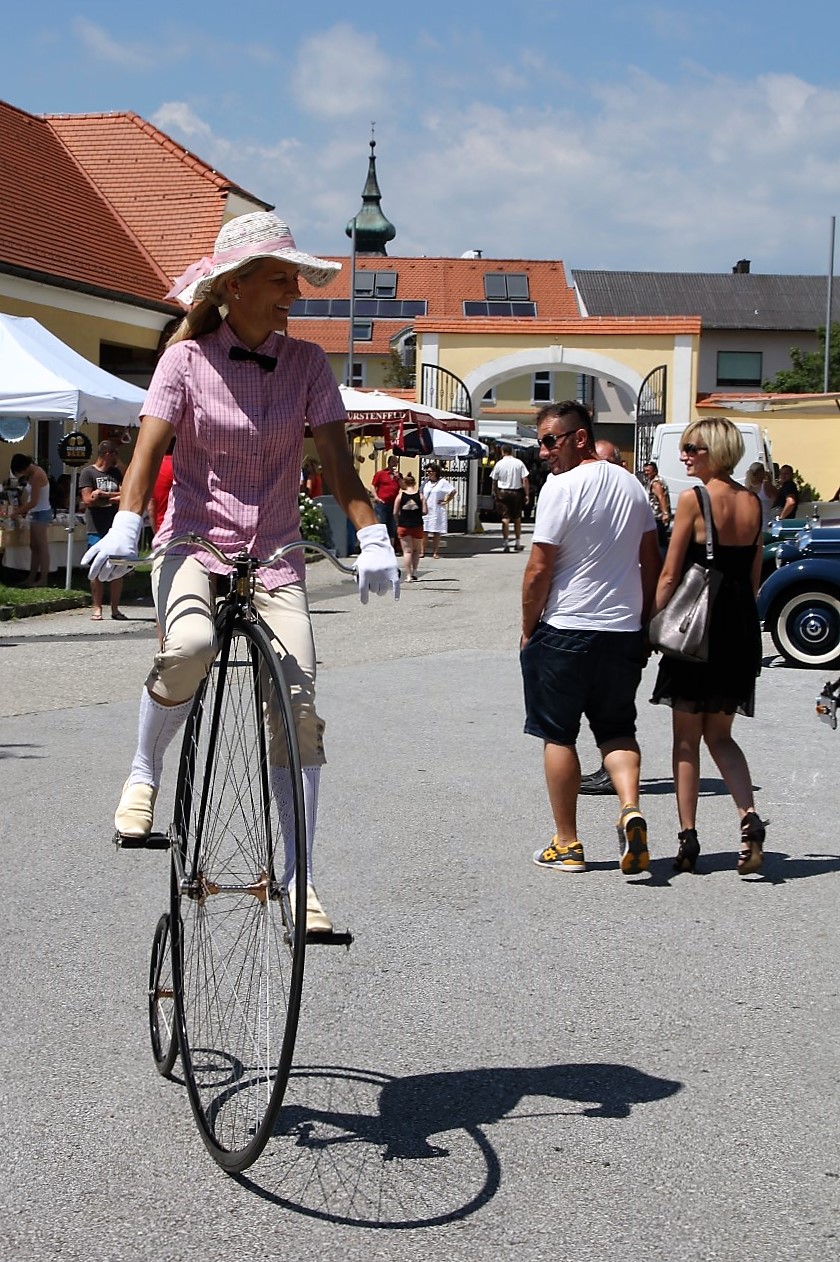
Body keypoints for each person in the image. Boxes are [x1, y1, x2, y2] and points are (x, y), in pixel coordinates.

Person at [82, 210, 400, 933]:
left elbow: (343, 472)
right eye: (281, 278)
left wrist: (375, 535)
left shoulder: (309, 365)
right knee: (189, 648)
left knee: (299, 707)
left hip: (278, 557)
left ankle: (301, 879)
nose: (296, 290)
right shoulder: (184, 362)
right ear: (236, 286)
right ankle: (143, 770)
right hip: (195, 544)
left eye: (295, 277)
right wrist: (131, 520)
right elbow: (146, 455)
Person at [520, 401, 661, 875]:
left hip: (567, 628)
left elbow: (540, 568)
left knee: (558, 734)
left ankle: (567, 843)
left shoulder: (560, 487)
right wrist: (644, 623)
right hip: (621, 630)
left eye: (549, 440)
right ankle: (629, 808)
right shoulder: (634, 487)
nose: (543, 452)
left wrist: (527, 629)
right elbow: (650, 562)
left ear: (579, 437)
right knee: (617, 729)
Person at [649, 417, 765, 876]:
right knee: (722, 735)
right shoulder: (754, 504)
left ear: (715, 450)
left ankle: (688, 837)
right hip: (738, 629)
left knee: (685, 740)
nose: (684, 455)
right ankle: (748, 818)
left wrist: (652, 626)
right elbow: (753, 578)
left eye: (692, 447)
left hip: (698, 630)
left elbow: (670, 575)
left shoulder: (693, 500)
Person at [580, 437, 627, 796]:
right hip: (589, 617)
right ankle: (609, 770)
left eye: (607, 461)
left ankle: (611, 774)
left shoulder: (630, 500)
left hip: (617, 619)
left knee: (609, 709)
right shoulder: (585, 498)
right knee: (601, 707)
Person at [79, 440, 126, 619]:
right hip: (95, 527)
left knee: (117, 566)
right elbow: (88, 500)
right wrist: (113, 497)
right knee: (96, 567)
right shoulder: (88, 473)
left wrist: (104, 495)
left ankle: (115, 608)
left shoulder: (116, 472)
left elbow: (126, 494)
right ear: (107, 453)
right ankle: (97, 607)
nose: (117, 458)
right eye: (115, 453)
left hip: (115, 527)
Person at [8, 454, 51, 587]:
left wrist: (17, 512)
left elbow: (34, 501)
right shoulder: (32, 474)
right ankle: (31, 577)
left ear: (23, 468)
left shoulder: (37, 475)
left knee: (42, 547)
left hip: (41, 513)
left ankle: (43, 579)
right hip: (35, 513)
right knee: (34, 546)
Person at [491, 445, 530, 552]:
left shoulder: (499, 464)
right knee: (517, 518)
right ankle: (517, 543)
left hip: (503, 492)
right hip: (516, 492)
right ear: (512, 451)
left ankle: (506, 544)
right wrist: (527, 494)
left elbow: (494, 480)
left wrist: (495, 493)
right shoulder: (519, 463)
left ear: (502, 452)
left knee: (505, 518)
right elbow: (525, 479)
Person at [394, 472, 426, 581]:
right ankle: (415, 572)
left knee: (407, 551)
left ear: (405, 483)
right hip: (417, 525)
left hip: (403, 525)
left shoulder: (400, 496)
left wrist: (399, 520)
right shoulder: (420, 496)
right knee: (416, 551)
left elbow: (395, 512)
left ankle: (407, 576)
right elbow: (425, 511)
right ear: (415, 483)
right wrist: (416, 512)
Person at [421, 463, 455, 559]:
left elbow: (453, 491)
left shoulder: (442, 482)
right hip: (426, 509)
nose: (428, 473)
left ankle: (435, 552)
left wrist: (446, 501)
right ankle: (422, 551)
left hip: (437, 510)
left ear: (435, 472)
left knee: (436, 532)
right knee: (424, 531)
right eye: (427, 471)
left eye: (430, 471)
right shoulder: (425, 482)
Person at [371, 455, 402, 544]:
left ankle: (391, 546)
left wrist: (398, 478)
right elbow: (373, 485)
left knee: (392, 525)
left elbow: (403, 486)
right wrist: (376, 497)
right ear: (388, 463)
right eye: (393, 462)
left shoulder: (398, 475)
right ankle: (380, 544)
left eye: (396, 462)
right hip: (382, 503)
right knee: (381, 524)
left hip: (394, 504)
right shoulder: (381, 474)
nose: (395, 464)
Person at [148, 439, 175, 533]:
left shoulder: (154, 468)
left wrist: (156, 533)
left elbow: (151, 506)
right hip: (181, 527)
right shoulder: (180, 466)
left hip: (162, 527)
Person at [642, 460, 671, 551]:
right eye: (645, 471)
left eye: (648, 471)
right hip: (655, 517)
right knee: (660, 541)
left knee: (659, 542)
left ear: (655, 471)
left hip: (657, 518)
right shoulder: (652, 481)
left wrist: (665, 513)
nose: (646, 473)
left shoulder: (656, 483)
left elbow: (661, 497)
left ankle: (662, 561)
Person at [744, 461, 777, 531]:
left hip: (753, 524)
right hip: (766, 522)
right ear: (760, 472)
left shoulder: (747, 488)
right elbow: (778, 501)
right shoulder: (766, 485)